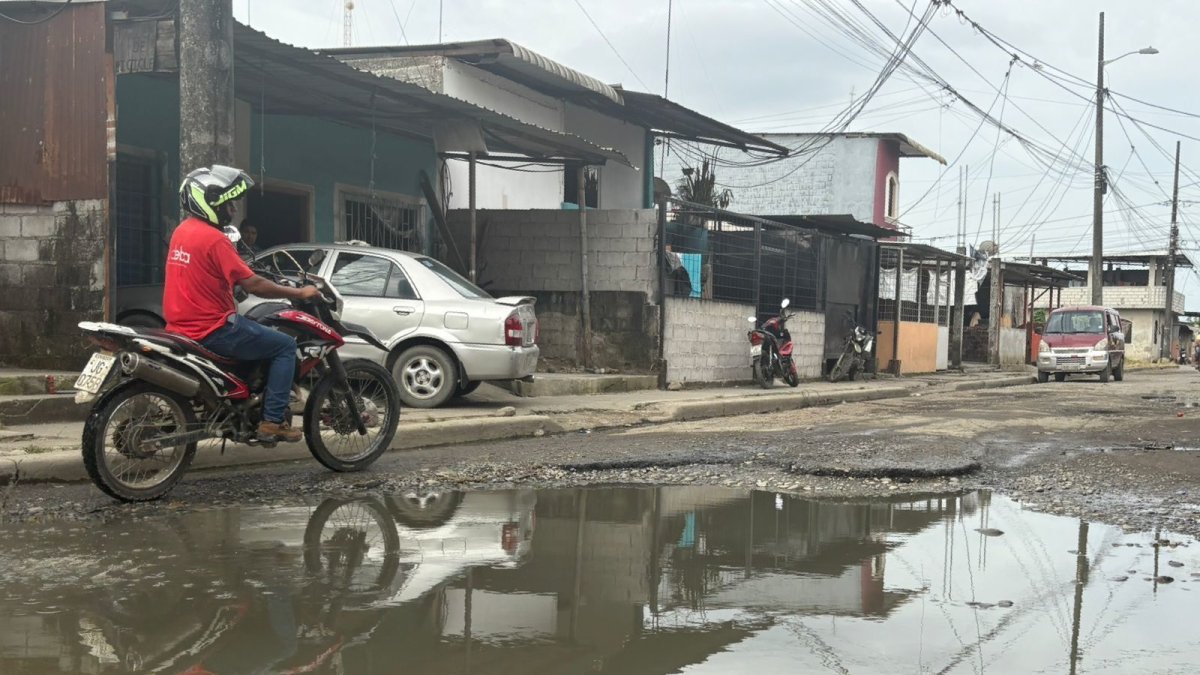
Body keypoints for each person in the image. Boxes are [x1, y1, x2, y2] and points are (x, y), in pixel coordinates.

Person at [164, 165, 321, 442]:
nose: (233, 210)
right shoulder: (215, 239)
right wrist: (299, 293)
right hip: (212, 328)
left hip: (179, 326)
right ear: (209, 203)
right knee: (284, 345)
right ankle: (273, 422)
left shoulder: (182, 231)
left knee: (256, 334)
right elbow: (254, 285)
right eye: (227, 203)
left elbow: (205, 274)